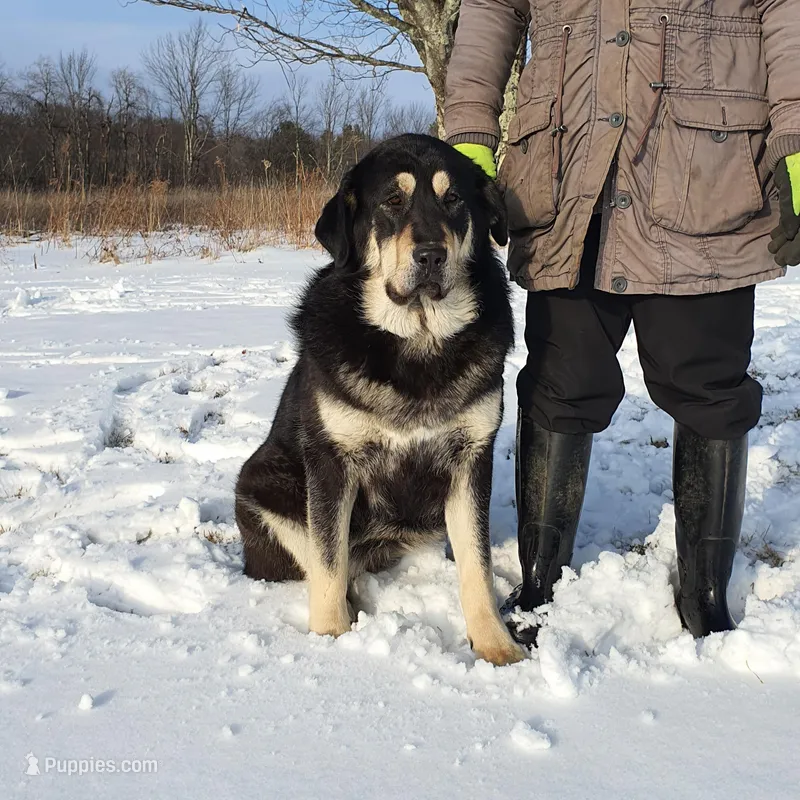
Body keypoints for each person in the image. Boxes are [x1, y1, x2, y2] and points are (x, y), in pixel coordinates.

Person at [443, 0, 800, 644]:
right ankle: (539, 576)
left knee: (709, 386)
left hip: (705, 174)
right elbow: (491, 8)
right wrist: (470, 131)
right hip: (569, 169)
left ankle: (704, 593)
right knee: (559, 381)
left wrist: (798, 134)